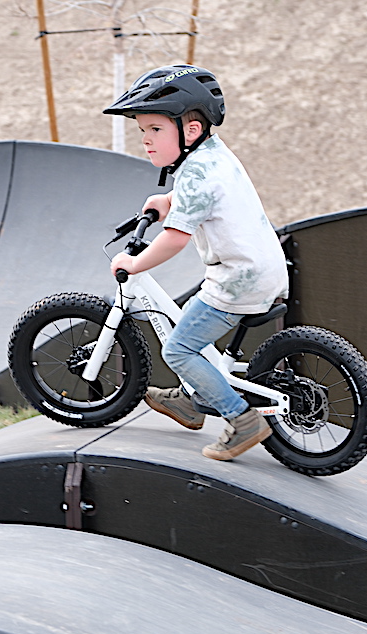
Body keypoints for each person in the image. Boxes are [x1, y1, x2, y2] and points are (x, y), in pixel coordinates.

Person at [102, 65, 288, 461]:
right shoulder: (211, 157)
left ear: (189, 130)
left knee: (178, 350)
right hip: (261, 269)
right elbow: (208, 201)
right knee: (188, 317)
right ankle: (190, 400)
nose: (146, 141)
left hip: (238, 281)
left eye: (155, 130)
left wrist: (134, 264)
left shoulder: (196, 174)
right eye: (142, 131)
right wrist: (168, 202)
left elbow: (175, 238)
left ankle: (241, 420)